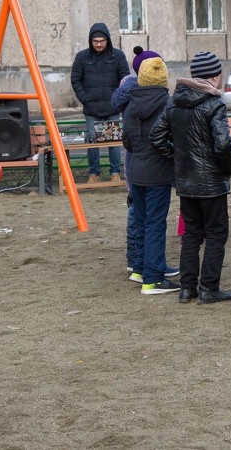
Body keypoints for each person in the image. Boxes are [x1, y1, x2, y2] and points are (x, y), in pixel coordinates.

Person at [151, 51, 231, 304]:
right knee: (216, 234)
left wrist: (179, 158)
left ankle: (187, 287)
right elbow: (223, 145)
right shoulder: (214, 104)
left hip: (187, 180)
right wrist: (225, 169)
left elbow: (156, 137)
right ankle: (209, 287)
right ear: (215, 76)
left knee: (192, 234)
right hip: (211, 181)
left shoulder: (173, 102)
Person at [112, 47, 178, 283]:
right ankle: (154, 278)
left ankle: (140, 268)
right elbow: (171, 138)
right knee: (155, 224)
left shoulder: (130, 103)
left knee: (141, 221)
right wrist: (172, 155)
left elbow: (127, 140)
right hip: (158, 173)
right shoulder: (168, 105)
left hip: (136, 170)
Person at [70, 23, 130, 183]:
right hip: (91, 108)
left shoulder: (118, 56)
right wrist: (85, 98)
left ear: (107, 40)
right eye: (95, 41)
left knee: (114, 142)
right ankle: (94, 174)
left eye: (102, 41)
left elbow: (125, 79)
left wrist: (118, 99)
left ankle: (115, 173)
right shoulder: (82, 57)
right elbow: (75, 80)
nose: (98, 44)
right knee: (92, 142)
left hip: (112, 107)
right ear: (90, 41)